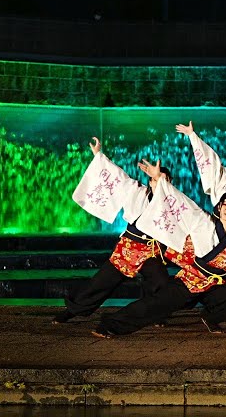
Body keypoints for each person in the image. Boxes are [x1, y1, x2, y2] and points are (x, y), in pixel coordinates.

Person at [94, 172, 226, 337]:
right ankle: (111, 325)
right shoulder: (203, 221)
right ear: (219, 209)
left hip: (213, 284)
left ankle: (209, 317)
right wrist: (161, 183)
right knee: (155, 305)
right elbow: (182, 202)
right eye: (225, 206)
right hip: (190, 279)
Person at [55, 137, 172, 324]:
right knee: (100, 283)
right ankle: (72, 310)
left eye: (165, 181)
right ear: (150, 182)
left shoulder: (173, 203)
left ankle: (155, 315)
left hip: (151, 252)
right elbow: (117, 176)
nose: (160, 184)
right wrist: (98, 155)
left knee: (161, 284)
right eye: (156, 180)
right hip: (129, 249)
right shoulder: (136, 190)